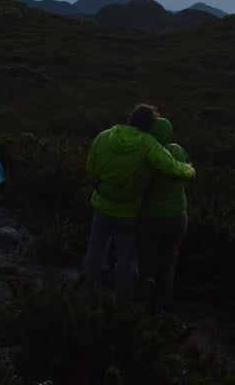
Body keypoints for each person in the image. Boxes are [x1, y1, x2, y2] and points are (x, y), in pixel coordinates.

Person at [83, 104, 194, 292]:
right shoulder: (147, 143)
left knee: (95, 250)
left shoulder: (104, 136)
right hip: (128, 213)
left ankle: (88, 288)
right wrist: (189, 169)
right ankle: (122, 296)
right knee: (125, 257)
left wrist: (103, 185)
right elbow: (170, 167)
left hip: (101, 206)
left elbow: (90, 169)